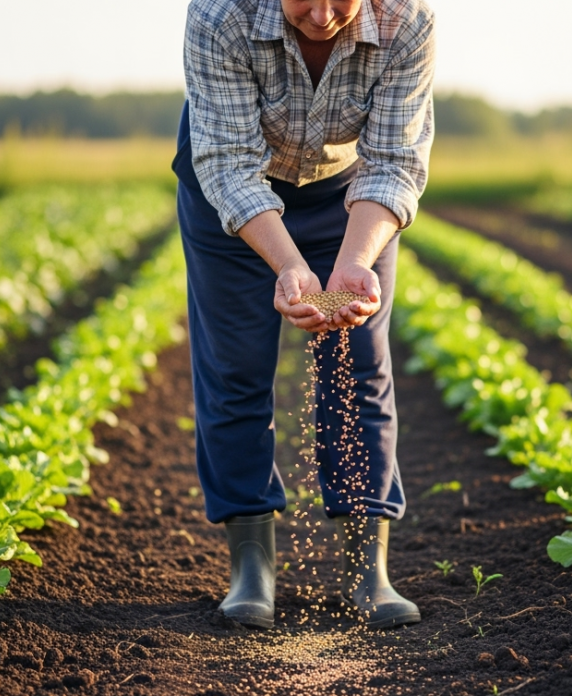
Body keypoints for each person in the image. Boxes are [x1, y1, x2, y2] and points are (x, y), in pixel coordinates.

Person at [175, 0, 435, 630]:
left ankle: (365, 570)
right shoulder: (220, 15)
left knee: (359, 365)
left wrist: (353, 266)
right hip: (230, 198)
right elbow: (229, 165)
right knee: (235, 367)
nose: (322, 15)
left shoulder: (408, 18)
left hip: (349, 199)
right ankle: (251, 567)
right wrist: (290, 267)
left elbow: (396, 162)